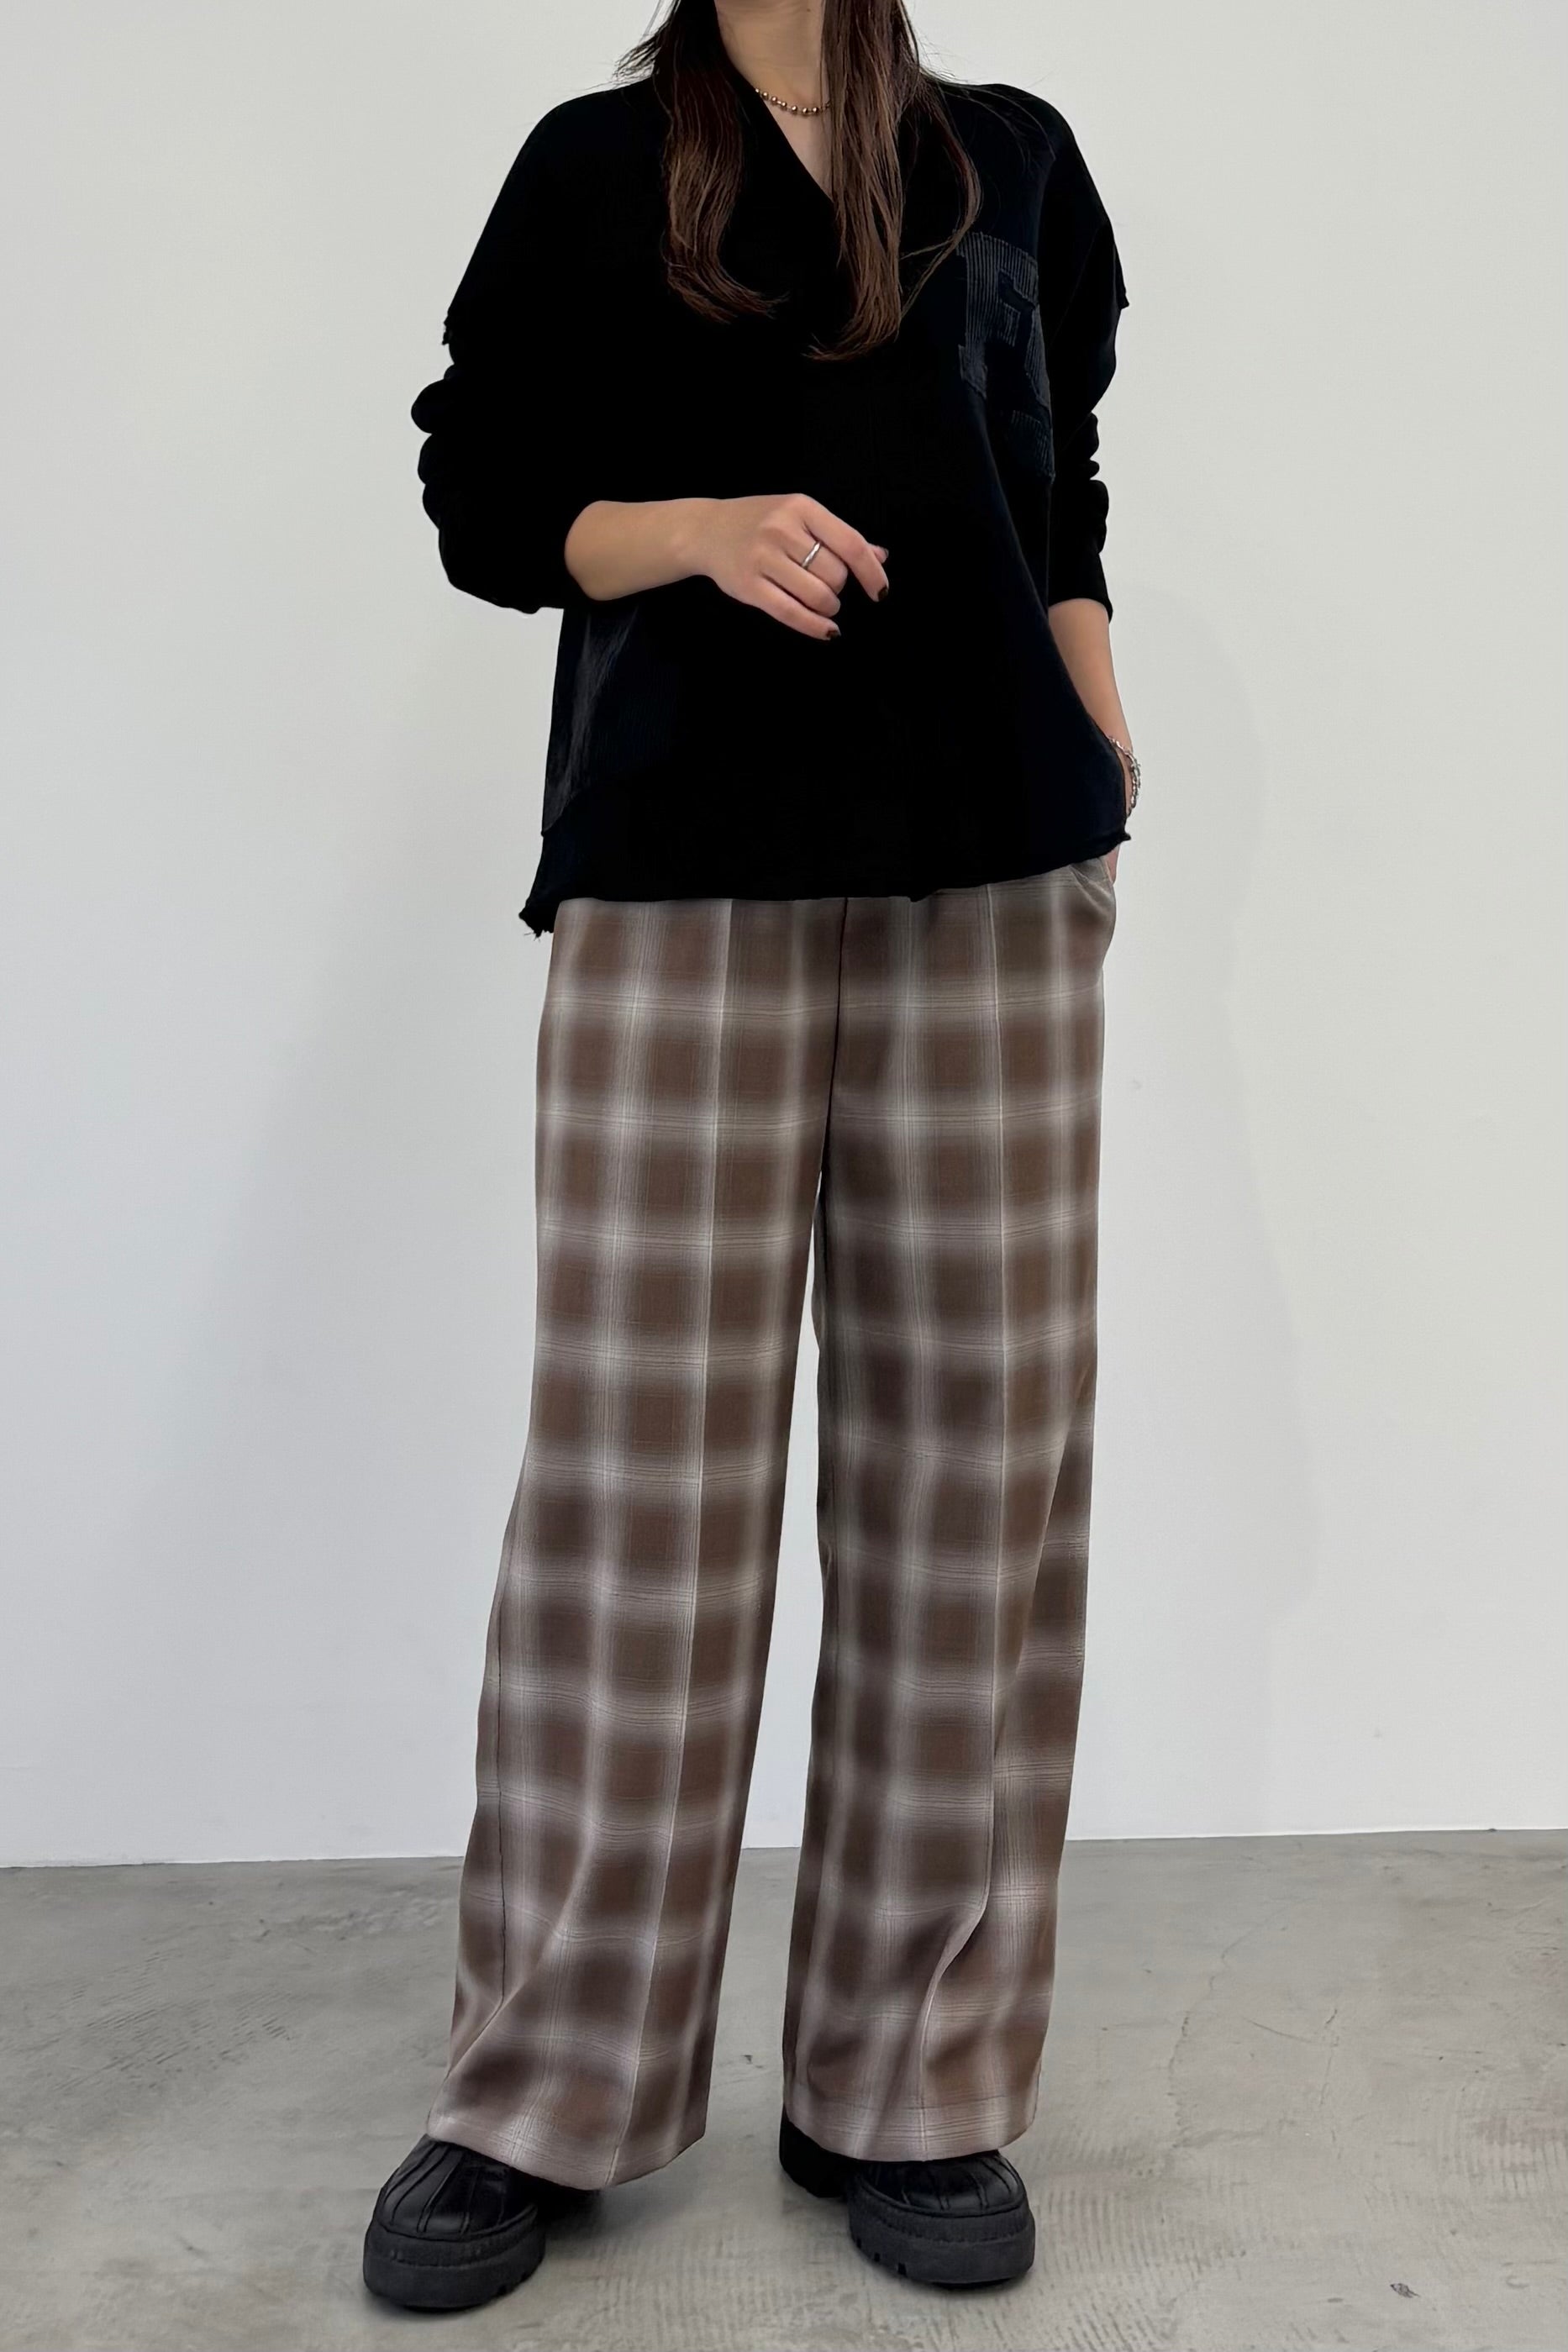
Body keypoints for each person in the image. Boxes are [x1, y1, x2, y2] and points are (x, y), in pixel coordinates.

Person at [363, 0, 1136, 2308]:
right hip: (681, 861)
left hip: (994, 869)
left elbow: (1063, 472)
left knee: (976, 1481)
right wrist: (691, 528)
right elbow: (485, 496)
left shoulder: (1005, 153)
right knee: (639, 1499)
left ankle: (909, 2082)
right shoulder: (597, 166)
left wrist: (1098, 728)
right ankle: (545, 2087)